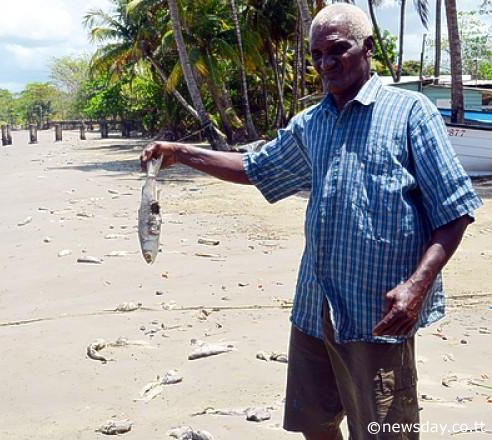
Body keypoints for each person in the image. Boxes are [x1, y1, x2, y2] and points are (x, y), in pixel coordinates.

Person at [140, 4, 482, 439]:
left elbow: (455, 209)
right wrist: (182, 153)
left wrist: (417, 286)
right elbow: (254, 167)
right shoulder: (311, 124)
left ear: (368, 49)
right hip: (314, 307)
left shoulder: (410, 113)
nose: (326, 64)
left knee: (384, 430)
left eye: (337, 50)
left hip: (376, 312)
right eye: (317, 54)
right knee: (314, 423)